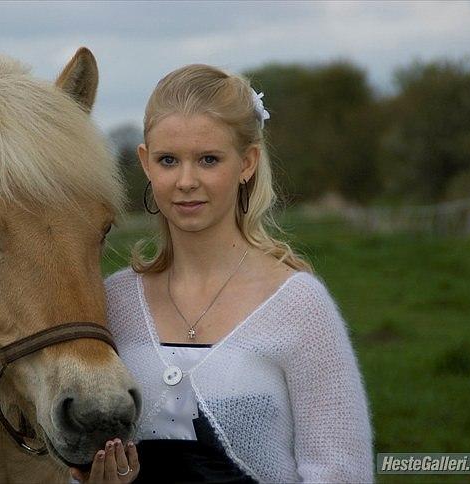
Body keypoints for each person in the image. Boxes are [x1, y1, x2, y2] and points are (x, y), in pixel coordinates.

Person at [70, 64, 374, 483]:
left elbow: (343, 472)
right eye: (168, 160)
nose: (186, 181)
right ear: (145, 163)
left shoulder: (299, 306)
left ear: (247, 162)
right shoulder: (112, 302)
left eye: (209, 159)